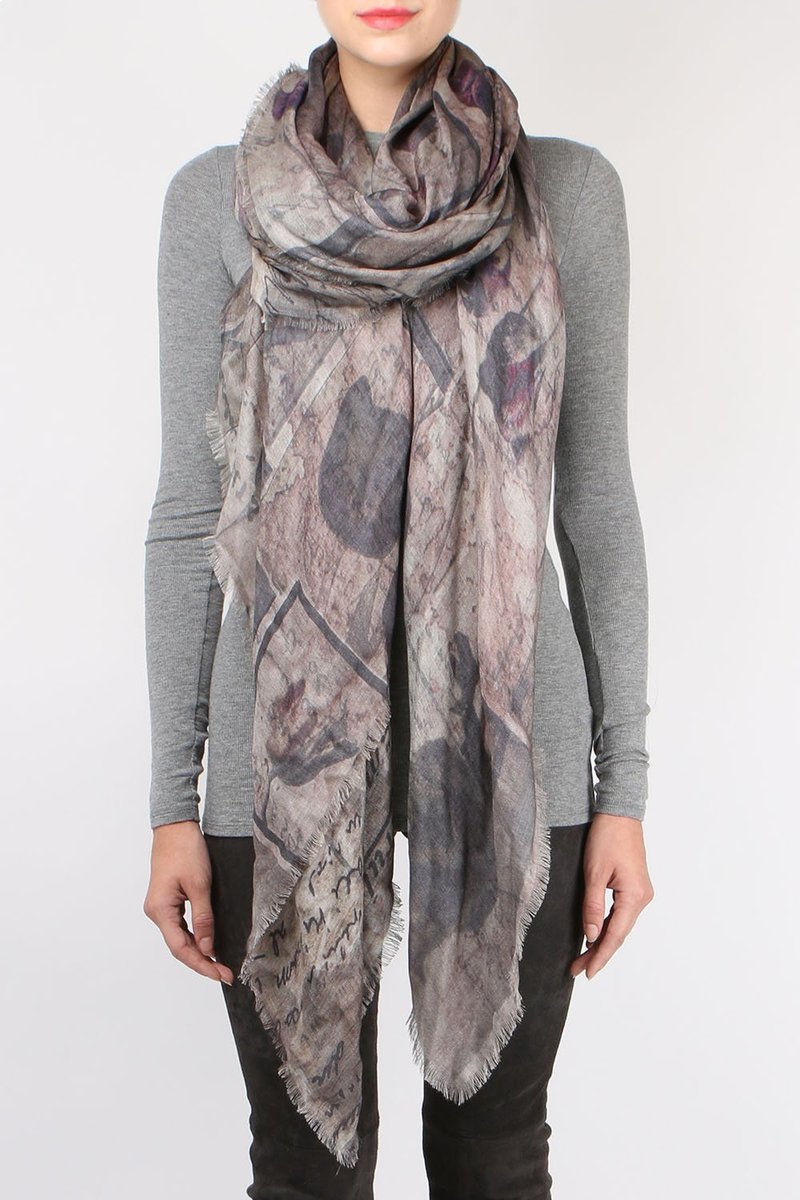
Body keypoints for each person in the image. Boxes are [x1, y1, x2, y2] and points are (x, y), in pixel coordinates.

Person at [143, 2, 655, 1196]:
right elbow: (187, 513)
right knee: (303, 1169)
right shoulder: (219, 199)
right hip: (278, 751)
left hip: (511, 741)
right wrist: (172, 799)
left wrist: (621, 789)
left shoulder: (563, 194)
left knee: (493, 1159)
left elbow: (594, 503)